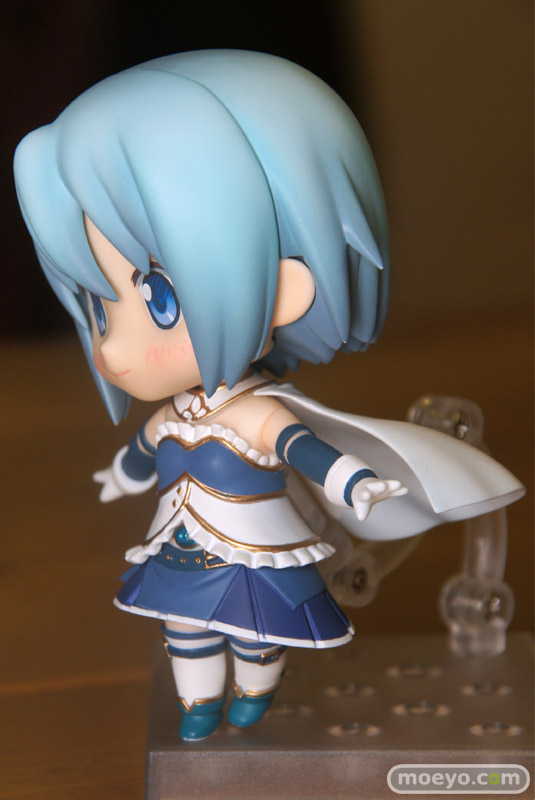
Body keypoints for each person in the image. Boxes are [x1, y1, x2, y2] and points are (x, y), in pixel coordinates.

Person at [14, 50, 524, 741]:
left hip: (258, 551)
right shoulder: (175, 413)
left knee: (257, 632)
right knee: (184, 626)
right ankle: (199, 705)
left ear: (286, 288)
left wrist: (353, 482)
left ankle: (254, 691)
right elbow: (144, 447)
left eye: (159, 300)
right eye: (99, 312)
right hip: (180, 545)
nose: (111, 350)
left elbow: (301, 448)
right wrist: (121, 474)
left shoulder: (255, 412)